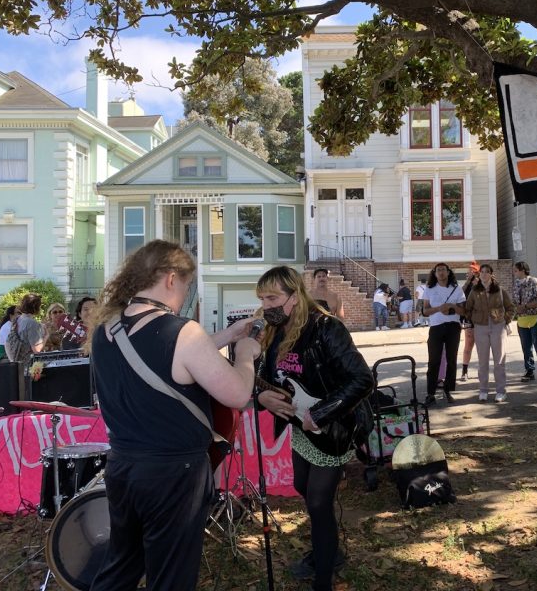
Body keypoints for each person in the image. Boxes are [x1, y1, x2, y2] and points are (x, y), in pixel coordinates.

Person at [88, 239, 258, 591]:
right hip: (173, 475)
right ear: (170, 279)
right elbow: (239, 394)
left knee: (121, 567)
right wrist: (245, 354)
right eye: (186, 284)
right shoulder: (183, 331)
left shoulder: (107, 331)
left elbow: (166, 358)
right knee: (171, 577)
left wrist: (228, 334)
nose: (185, 293)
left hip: (122, 467)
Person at [255, 266, 373, 591]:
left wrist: (320, 414)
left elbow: (362, 379)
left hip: (333, 426)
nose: (266, 305)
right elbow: (262, 376)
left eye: (273, 297)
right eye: (262, 298)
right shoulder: (273, 331)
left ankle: (324, 574)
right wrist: (261, 395)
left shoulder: (326, 328)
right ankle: (326, 548)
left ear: (294, 297)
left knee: (319, 502)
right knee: (302, 486)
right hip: (298, 425)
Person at [465, 264, 515, 403]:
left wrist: (505, 319)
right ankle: (483, 390)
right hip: (480, 327)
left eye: (487, 272)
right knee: (482, 361)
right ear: (479, 274)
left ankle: (500, 391)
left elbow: (510, 307)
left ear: (492, 274)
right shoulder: (474, 291)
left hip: (498, 326)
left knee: (499, 360)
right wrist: (471, 320)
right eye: (482, 272)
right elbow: (467, 308)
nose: (484, 274)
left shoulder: (499, 290)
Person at [422, 262, 466, 405]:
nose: (441, 272)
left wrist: (452, 306)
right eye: (438, 270)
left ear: (448, 272)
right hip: (436, 327)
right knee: (434, 360)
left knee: (451, 360)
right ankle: (430, 393)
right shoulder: (429, 289)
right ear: (434, 274)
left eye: (443, 270)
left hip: (453, 327)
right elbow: (425, 311)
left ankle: (448, 391)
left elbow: (464, 311)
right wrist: (439, 308)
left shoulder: (457, 289)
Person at [512, 261, 537, 382]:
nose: (514, 273)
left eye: (516, 270)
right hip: (522, 320)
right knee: (526, 347)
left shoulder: (534, 282)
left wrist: (526, 306)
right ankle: (529, 371)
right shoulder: (516, 284)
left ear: (523, 270)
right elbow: (515, 301)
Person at [5, 293, 45, 363]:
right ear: (37, 307)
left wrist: (12, 361)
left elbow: (7, 343)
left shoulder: (16, 320)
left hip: (17, 365)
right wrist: (47, 335)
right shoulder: (32, 323)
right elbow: (37, 350)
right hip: (29, 366)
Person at [460, 262, 480, 381]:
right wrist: (468, 282)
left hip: (481, 319)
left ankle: (481, 370)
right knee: (468, 345)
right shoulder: (466, 286)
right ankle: (464, 371)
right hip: (469, 318)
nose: (470, 273)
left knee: (482, 347)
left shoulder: (481, 284)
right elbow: (460, 294)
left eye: (473, 271)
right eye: (469, 271)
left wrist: (476, 282)